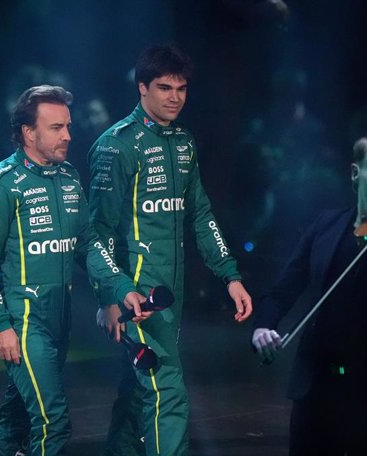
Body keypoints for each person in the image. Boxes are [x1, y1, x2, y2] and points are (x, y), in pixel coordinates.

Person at [88, 44, 253, 456]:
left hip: (171, 295)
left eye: (181, 88)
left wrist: (229, 276)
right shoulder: (117, 147)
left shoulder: (184, 143)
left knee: (138, 389)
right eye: (164, 87)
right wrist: (110, 296)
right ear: (141, 87)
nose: (175, 97)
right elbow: (97, 233)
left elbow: (201, 215)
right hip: (138, 298)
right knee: (168, 391)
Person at [0, 85, 149, 456]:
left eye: (67, 126)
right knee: (54, 421)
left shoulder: (68, 178)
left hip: (59, 318)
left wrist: (121, 288)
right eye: (56, 128)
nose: (68, 135)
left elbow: (89, 245)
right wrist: (1, 325)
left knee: (15, 418)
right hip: (24, 320)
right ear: (28, 132)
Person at [251, 130, 367, 455]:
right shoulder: (325, 225)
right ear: (355, 174)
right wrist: (264, 325)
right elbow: (282, 290)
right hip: (315, 387)